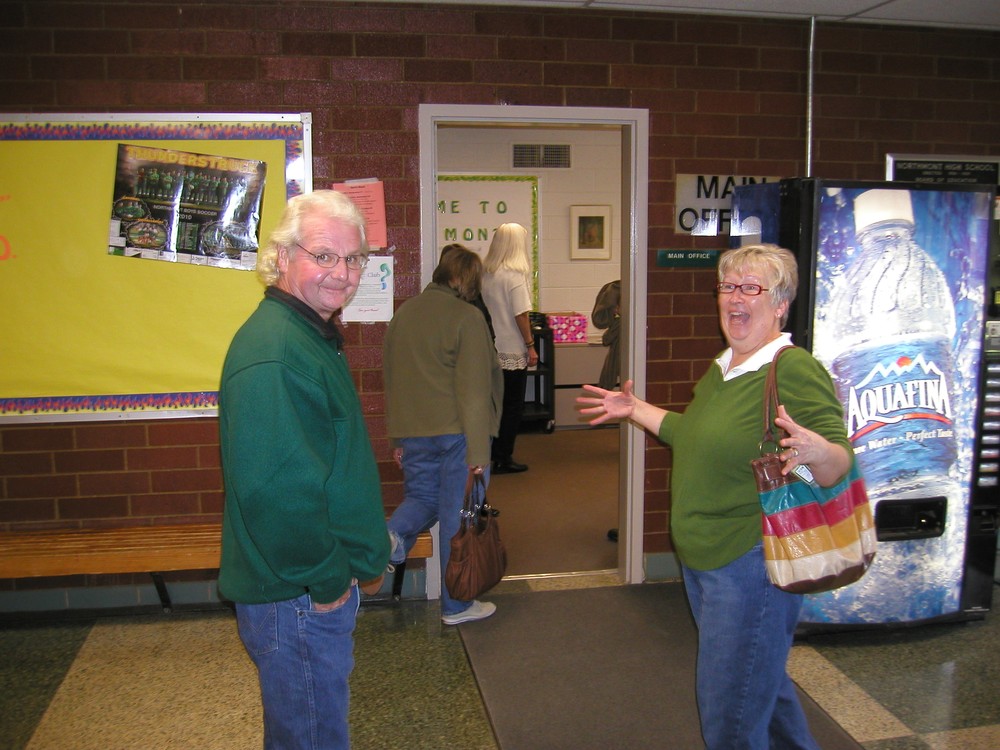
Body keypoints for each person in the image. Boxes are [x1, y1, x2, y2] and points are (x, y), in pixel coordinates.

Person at [578, 244, 852, 750]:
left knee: (730, 715)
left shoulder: (791, 369)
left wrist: (817, 451)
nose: (735, 298)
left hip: (750, 561)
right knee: (759, 686)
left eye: (751, 288)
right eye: (728, 287)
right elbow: (693, 434)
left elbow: (840, 460)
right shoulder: (725, 367)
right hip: (705, 558)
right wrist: (634, 408)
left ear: (780, 304)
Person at [218, 190, 390, 750]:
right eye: (324, 255)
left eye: (353, 258)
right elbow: (275, 495)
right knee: (312, 738)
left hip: (303, 589)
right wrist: (327, 579)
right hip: (298, 595)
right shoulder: (277, 352)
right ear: (283, 257)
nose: (342, 273)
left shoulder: (307, 334)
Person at [384, 244, 503, 625]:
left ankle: (390, 535)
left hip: (414, 431)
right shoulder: (467, 317)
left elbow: (392, 379)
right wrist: (480, 451)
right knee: (457, 518)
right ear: (467, 280)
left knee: (423, 499)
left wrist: (397, 439)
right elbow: (474, 389)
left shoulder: (404, 314)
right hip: (459, 434)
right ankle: (456, 606)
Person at [481, 222, 537, 474]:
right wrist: (530, 345)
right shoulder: (515, 276)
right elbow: (521, 314)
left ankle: (490, 453)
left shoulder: (487, 274)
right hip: (512, 347)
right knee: (513, 405)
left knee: (494, 405)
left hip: (490, 347)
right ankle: (504, 456)